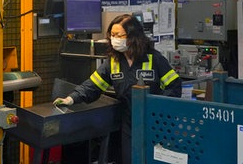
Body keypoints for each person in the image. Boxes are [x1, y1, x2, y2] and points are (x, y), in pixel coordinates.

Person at [53, 14, 182, 164]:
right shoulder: (113, 63)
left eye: (118, 35)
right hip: (128, 122)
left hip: (156, 123)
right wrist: (70, 99)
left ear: (133, 36)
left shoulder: (155, 59)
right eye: (112, 35)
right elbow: (92, 85)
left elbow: (174, 86)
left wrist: (157, 109)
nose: (114, 39)